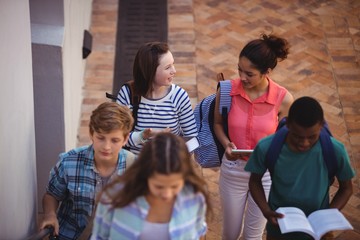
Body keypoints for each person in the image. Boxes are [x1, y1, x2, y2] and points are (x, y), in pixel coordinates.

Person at [213, 34, 294, 239]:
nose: (242, 77)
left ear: (267, 72)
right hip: (233, 170)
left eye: (249, 73)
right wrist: (226, 143)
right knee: (231, 233)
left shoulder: (283, 99)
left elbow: (287, 138)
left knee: (254, 234)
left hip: (265, 174)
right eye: (239, 69)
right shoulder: (226, 91)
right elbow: (217, 123)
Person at [245, 96, 355, 240]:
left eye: (312, 137)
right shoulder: (267, 147)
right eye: (297, 136)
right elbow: (254, 181)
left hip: (318, 231)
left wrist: (328, 216)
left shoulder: (335, 150)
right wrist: (265, 210)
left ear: (321, 126)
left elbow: (346, 188)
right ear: (288, 124)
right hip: (278, 228)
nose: (304, 143)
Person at [39, 102, 135, 239]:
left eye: (114, 140)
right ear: (91, 134)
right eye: (101, 138)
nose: (107, 147)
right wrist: (50, 215)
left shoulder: (136, 168)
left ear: (125, 139)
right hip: (72, 235)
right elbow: (52, 195)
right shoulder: (69, 162)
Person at [90, 132, 211, 240]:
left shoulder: (195, 197)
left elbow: (199, 232)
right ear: (144, 175)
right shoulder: (113, 197)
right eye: (158, 186)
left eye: (175, 186)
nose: (167, 194)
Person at [116, 41, 198, 155]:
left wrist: (177, 161)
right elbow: (116, 137)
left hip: (168, 167)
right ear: (150, 72)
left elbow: (192, 138)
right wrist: (143, 136)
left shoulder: (179, 96)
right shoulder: (127, 94)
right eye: (168, 67)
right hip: (134, 166)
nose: (174, 71)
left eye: (173, 64)